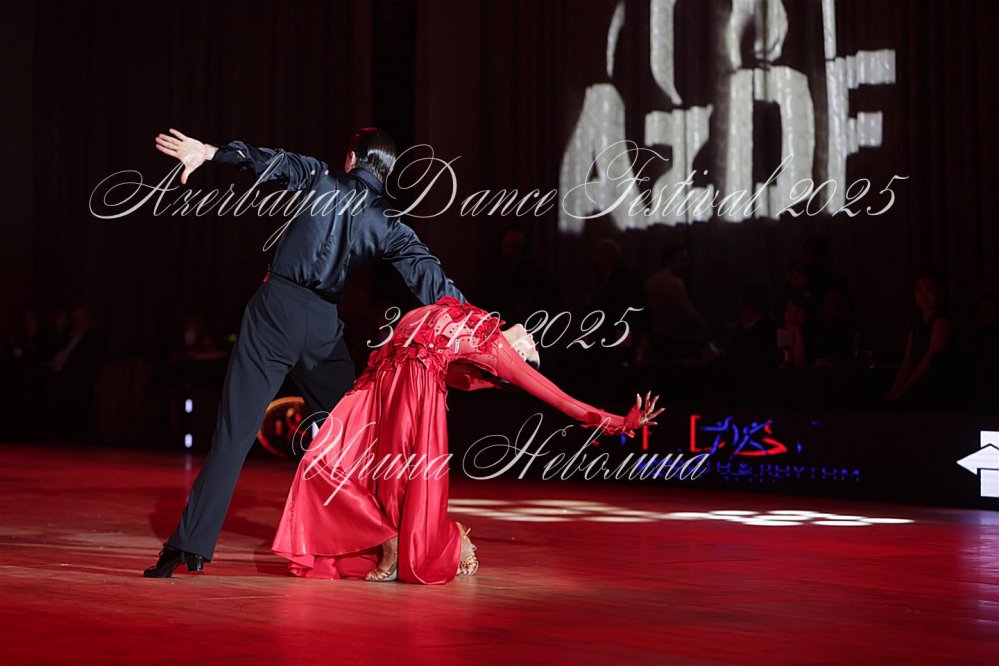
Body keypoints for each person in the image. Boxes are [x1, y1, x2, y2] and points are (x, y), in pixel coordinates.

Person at [144, 127, 464, 577]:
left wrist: (211, 153)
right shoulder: (388, 223)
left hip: (274, 314)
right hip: (323, 329)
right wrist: (477, 324)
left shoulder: (319, 177)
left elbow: (265, 160)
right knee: (356, 437)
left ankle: (189, 546)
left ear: (351, 158)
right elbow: (430, 277)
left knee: (235, 433)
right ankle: (393, 538)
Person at [272, 297, 662, 584]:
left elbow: (555, 397)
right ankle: (414, 539)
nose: (518, 360)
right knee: (328, 459)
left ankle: (403, 542)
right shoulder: (481, 327)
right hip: (381, 382)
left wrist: (619, 422)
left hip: (413, 389)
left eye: (520, 361)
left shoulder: (489, 342)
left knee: (394, 475)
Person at [886, 274, 953, 404]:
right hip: (915, 384)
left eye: (929, 290)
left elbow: (929, 360)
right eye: (919, 290)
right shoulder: (916, 328)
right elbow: (907, 364)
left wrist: (904, 390)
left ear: (939, 295)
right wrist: (895, 389)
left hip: (934, 386)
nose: (923, 295)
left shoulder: (942, 323)